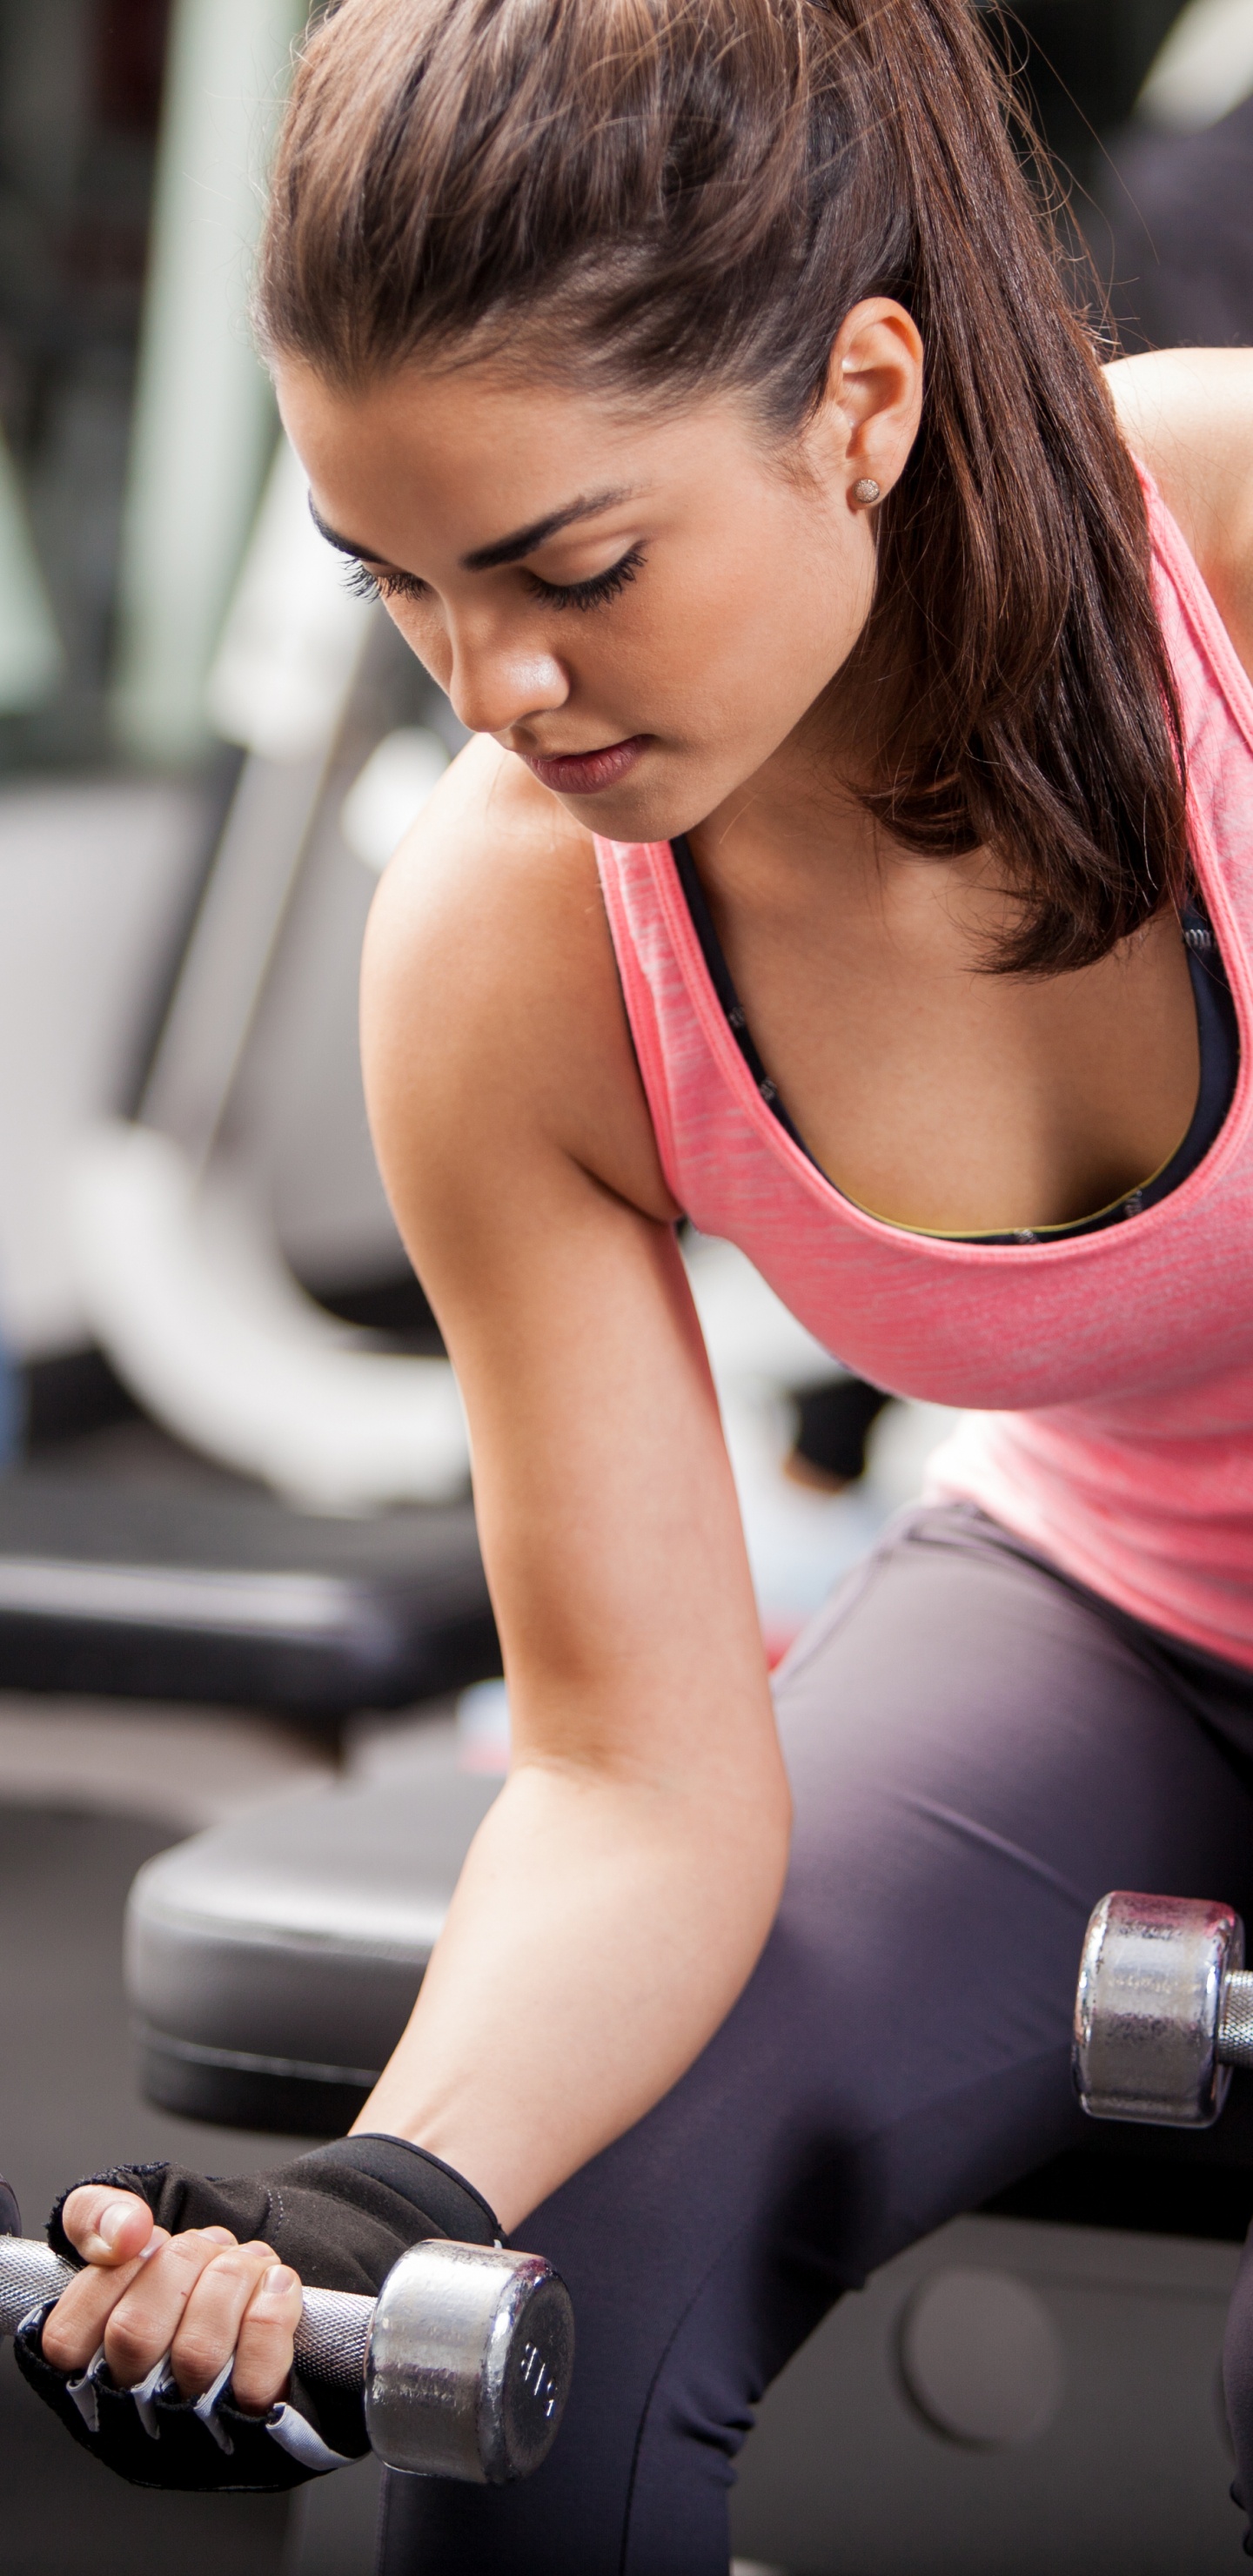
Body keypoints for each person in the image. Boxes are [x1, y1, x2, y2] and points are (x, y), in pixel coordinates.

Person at [23, 0, 1253, 2566]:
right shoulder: (502, 943)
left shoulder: (1232, 552)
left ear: (864, 401)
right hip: (1124, 1602)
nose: (497, 695)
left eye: (573, 570)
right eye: (405, 591)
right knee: (532, 2361)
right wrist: (395, 2193)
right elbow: (630, 1771)